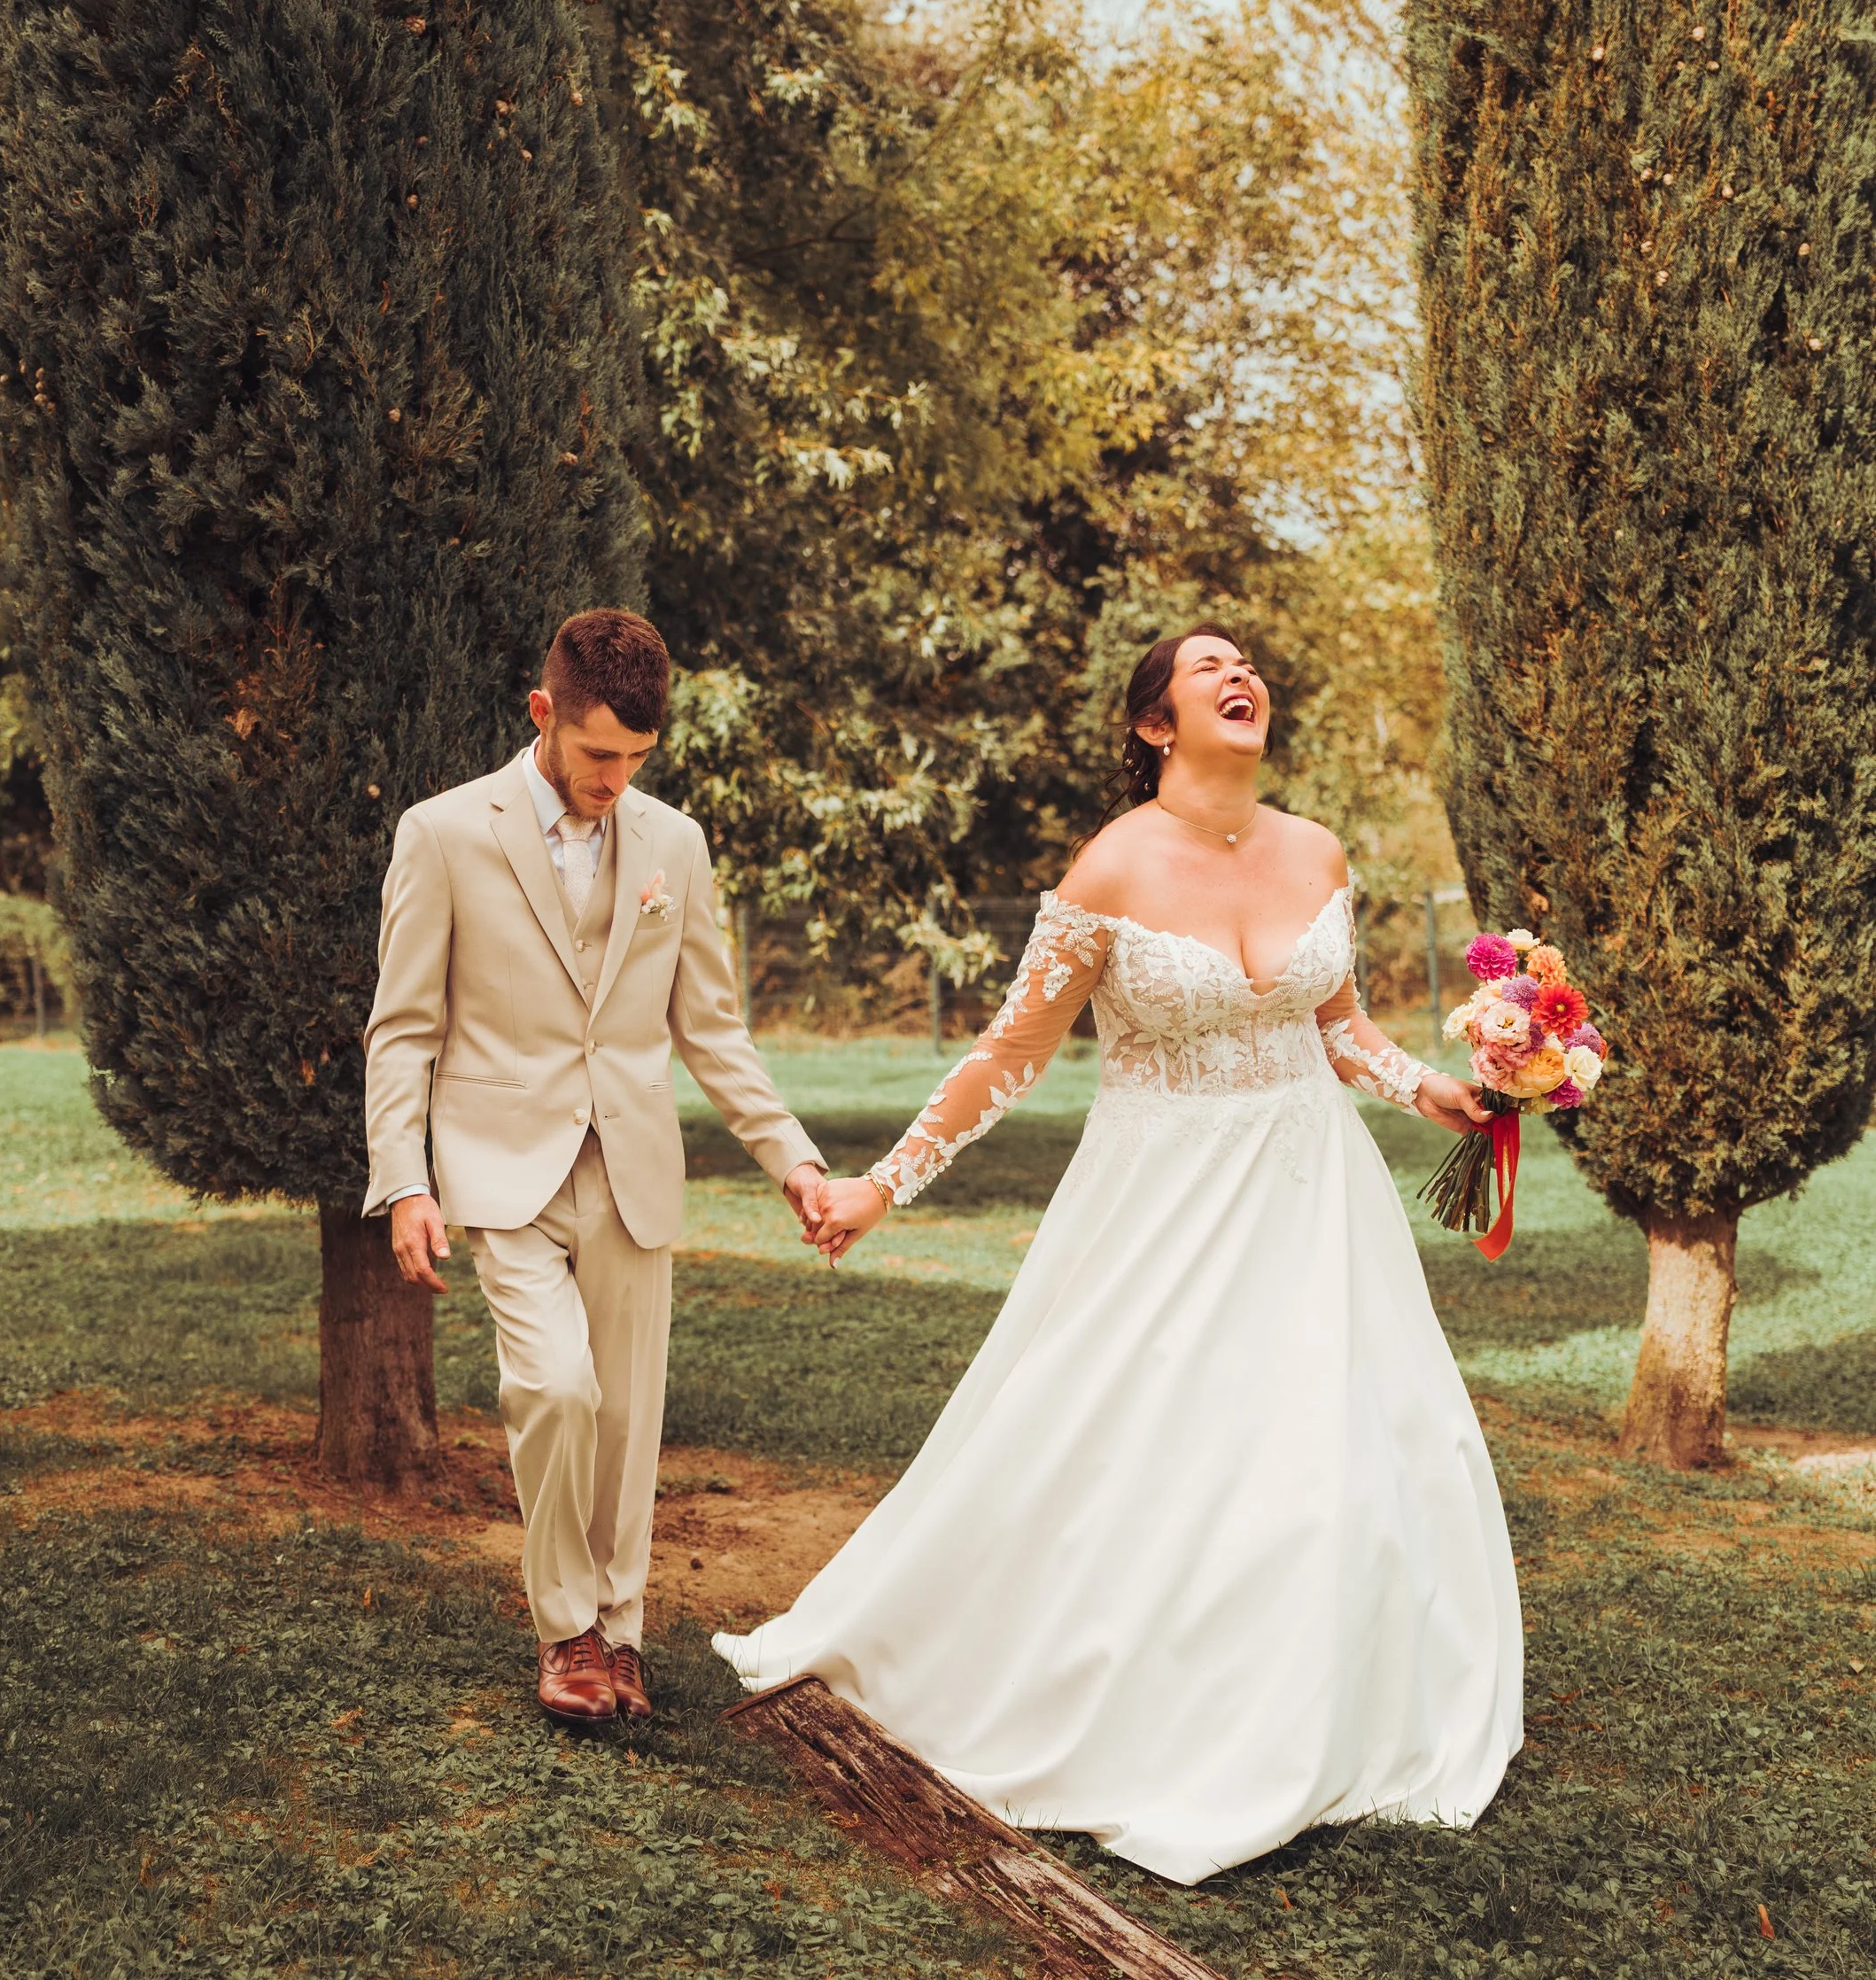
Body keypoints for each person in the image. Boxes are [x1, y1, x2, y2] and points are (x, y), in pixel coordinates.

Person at [718, 626, 1525, 1885]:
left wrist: (1439, 1091)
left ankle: (1318, 1705)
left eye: (1249, 661)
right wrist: (883, 1183)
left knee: (1339, 1453)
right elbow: (1009, 1054)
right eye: (1206, 669)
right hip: (1164, 1201)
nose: (1238, 674)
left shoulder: (1317, 851)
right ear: (1157, 725)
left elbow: (1339, 1026)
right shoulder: (1110, 869)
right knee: (1135, 1448)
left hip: (1314, 1198)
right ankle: (1106, 1688)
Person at [362, 610, 827, 1728]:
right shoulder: (442, 834)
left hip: (632, 1165)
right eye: (597, 755)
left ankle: (619, 1637)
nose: (615, 778)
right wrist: (405, 1177)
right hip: (499, 1166)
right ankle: (564, 1624)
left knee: (626, 1422)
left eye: (636, 759)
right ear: (544, 715)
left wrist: (794, 1162)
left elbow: (713, 1030)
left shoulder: (677, 844)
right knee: (556, 1389)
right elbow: (403, 1028)